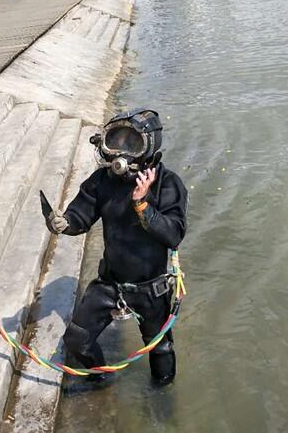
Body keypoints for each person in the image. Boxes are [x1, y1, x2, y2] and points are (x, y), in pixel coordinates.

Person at [43, 109, 187, 386]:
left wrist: (142, 204)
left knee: (161, 348)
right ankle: (101, 381)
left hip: (150, 287)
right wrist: (64, 223)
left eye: (131, 144)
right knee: (77, 340)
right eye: (115, 142)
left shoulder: (167, 184)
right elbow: (81, 216)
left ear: (149, 147)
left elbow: (173, 235)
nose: (121, 152)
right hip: (110, 283)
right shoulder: (102, 181)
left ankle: (161, 398)